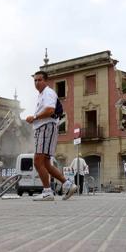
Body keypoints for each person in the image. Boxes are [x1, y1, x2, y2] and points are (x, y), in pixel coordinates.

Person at [26, 71, 77, 201]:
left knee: (38, 161)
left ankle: (47, 192)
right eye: (35, 80)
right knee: (46, 164)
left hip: (46, 127)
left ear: (45, 81)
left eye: (39, 80)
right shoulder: (42, 95)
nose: (37, 83)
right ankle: (68, 184)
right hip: (45, 128)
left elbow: (50, 110)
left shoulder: (48, 93)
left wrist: (35, 117)